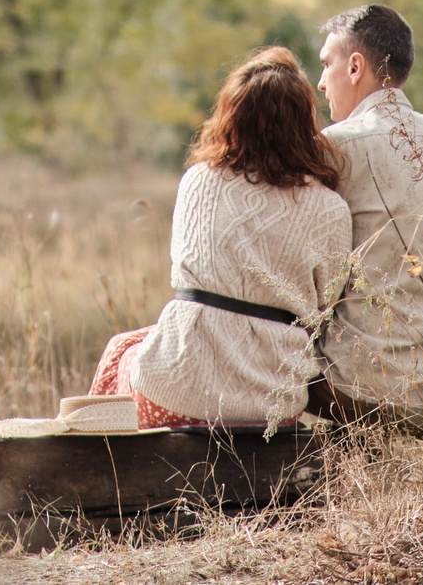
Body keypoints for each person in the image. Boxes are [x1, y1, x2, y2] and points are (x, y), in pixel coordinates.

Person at [89, 46, 350, 431]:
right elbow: (327, 303)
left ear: (231, 115)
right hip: (272, 403)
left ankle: (103, 468)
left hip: (175, 393)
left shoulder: (199, 180)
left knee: (121, 349)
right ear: (303, 122)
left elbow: (185, 275)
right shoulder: (330, 208)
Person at [315, 3, 423, 418]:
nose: (320, 83)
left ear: (355, 67)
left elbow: (308, 278)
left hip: (361, 390)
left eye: (326, 65)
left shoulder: (334, 147)